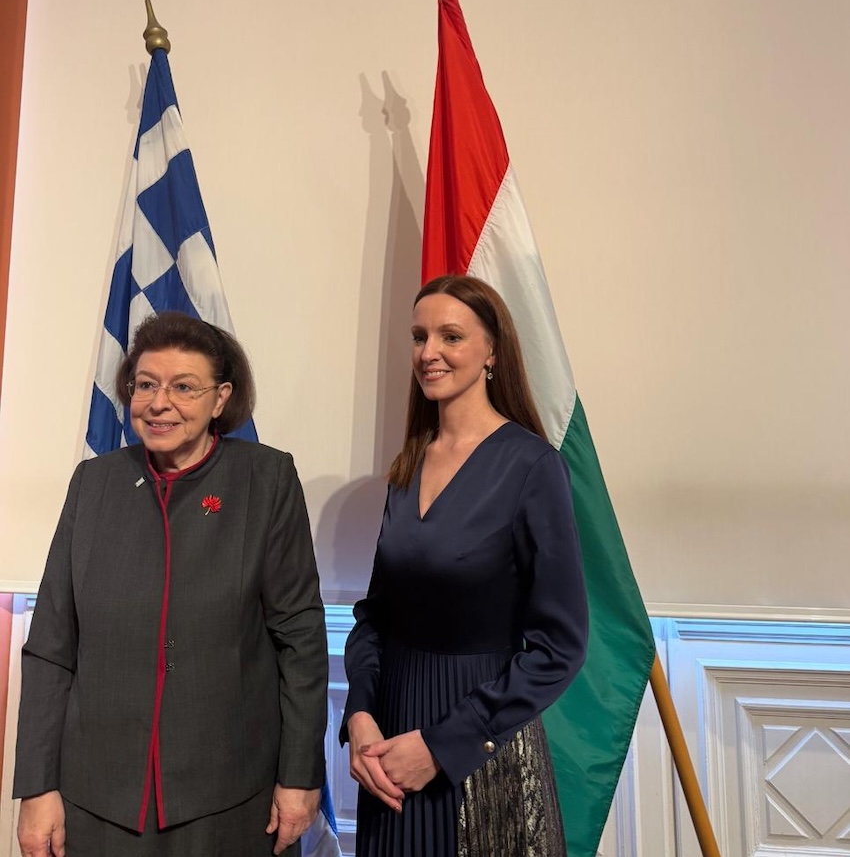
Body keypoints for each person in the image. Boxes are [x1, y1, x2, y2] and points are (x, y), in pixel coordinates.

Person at [14, 312, 328, 857]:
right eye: (146, 385)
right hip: (99, 799)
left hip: (230, 797)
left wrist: (299, 777)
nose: (159, 403)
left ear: (221, 398)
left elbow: (299, 639)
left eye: (184, 387)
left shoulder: (265, 479)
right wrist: (38, 788)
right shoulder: (94, 483)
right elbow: (51, 647)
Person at [342, 275, 590, 857]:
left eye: (450, 336)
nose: (429, 352)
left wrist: (444, 744)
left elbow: (561, 646)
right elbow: (375, 617)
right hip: (389, 747)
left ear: (492, 351)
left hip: (481, 747)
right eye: (419, 336)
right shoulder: (409, 464)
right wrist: (360, 715)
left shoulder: (532, 466)